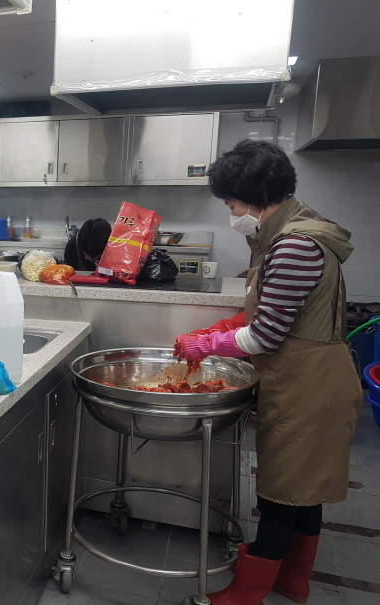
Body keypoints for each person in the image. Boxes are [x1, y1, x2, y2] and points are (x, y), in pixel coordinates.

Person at [174, 140, 362, 605]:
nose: (231, 213)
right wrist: (225, 327)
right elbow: (280, 312)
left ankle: (246, 593)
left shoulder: (295, 244)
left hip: (307, 386)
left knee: (280, 494)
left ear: (255, 197)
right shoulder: (294, 229)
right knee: (304, 490)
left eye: (231, 204)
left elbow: (265, 337)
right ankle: (293, 581)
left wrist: (207, 344)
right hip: (310, 379)